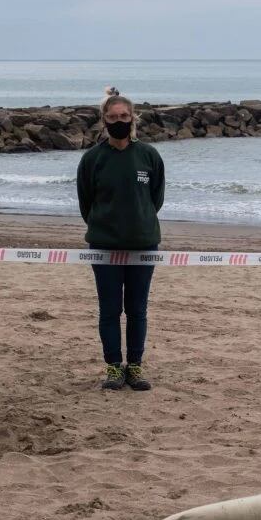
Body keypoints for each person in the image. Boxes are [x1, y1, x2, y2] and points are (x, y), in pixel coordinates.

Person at [77, 87, 165, 391]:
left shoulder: (149, 155)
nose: (119, 120)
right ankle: (114, 368)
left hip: (144, 245)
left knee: (137, 310)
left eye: (124, 116)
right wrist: (107, 228)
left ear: (133, 118)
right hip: (104, 247)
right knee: (110, 310)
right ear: (103, 120)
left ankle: (135, 367)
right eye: (113, 116)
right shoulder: (92, 159)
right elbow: (86, 203)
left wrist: (137, 224)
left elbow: (156, 198)